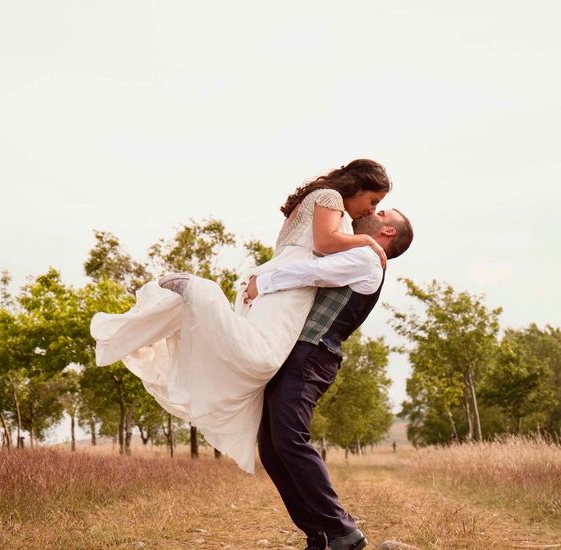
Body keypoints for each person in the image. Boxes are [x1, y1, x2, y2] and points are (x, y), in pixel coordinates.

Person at [89, 160, 391, 474]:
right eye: (373, 201)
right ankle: (199, 293)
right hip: (290, 285)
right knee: (264, 359)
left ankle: (194, 302)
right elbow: (324, 243)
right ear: (358, 184)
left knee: (254, 352)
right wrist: (368, 240)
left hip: (274, 278)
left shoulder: (320, 199)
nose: (370, 211)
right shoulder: (331, 197)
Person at [246, 208, 414, 550]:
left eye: (381, 211)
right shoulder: (358, 251)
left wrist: (261, 283)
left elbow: (313, 272)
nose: (371, 211)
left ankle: (342, 530)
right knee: (272, 448)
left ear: (389, 232)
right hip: (298, 354)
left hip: (313, 355)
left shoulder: (367, 259)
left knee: (290, 439)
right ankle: (319, 535)